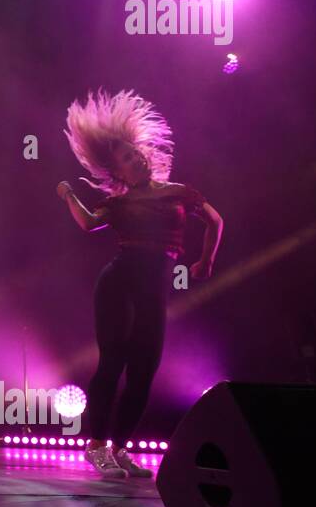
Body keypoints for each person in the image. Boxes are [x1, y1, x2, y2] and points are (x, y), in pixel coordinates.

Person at [58, 90, 223, 479]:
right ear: (118, 173)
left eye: (137, 153)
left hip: (154, 290)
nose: (138, 158)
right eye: (128, 158)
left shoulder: (179, 193)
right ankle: (96, 446)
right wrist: (67, 193)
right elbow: (86, 222)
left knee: (145, 371)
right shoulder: (119, 204)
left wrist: (205, 259)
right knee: (113, 363)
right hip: (118, 284)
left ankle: (120, 448)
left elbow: (216, 221)